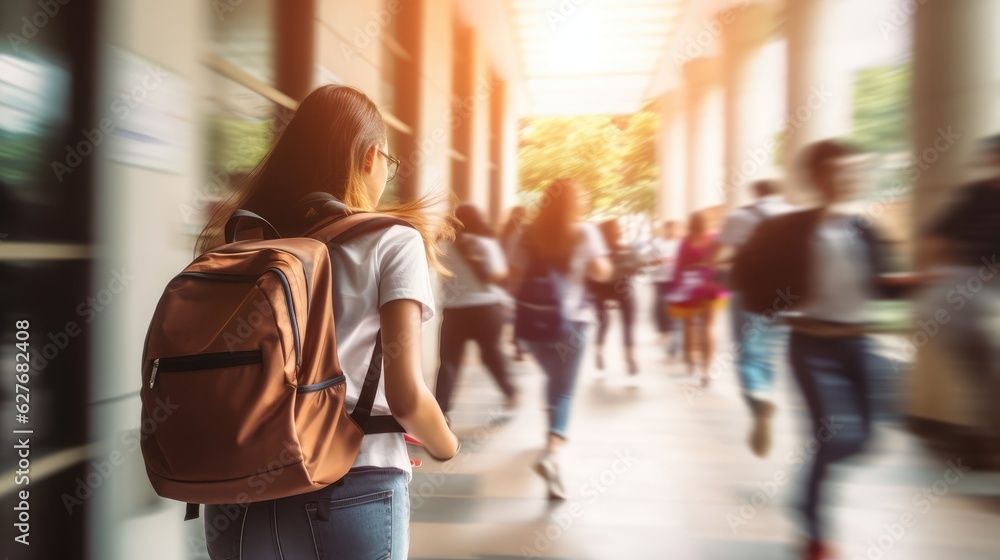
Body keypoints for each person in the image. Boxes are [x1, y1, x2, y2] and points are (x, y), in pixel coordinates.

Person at [195, 85, 460, 560]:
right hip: (352, 481)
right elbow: (406, 395)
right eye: (389, 163)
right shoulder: (392, 241)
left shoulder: (241, 244)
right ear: (371, 156)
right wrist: (446, 443)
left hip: (236, 488)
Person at [744, 139, 892, 560]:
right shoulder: (792, 228)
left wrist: (921, 281)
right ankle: (815, 528)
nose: (850, 177)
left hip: (858, 343)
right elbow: (752, 270)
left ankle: (804, 497)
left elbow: (879, 284)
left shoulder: (864, 228)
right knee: (830, 435)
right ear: (818, 177)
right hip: (812, 345)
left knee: (864, 439)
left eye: (854, 169)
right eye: (840, 170)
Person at [516, 178, 612, 499]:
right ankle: (552, 452)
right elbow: (602, 272)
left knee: (554, 381)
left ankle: (550, 440)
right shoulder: (584, 232)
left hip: (532, 324)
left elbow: (512, 274)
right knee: (565, 390)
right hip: (571, 324)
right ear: (574, 204)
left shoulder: (529, 233)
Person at [711, 179, 795, 457]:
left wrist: (720, 262)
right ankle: (766, 392)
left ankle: (759, 398)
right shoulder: (794, 213)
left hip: (749, 293)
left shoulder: (739, 216)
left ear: (754, 193)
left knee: (748, 354)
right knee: (769, 353)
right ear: (778, 192)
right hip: (785, 295)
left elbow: (719, 254)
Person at [435, 203, 517, 422]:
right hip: (486, 309)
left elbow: (438, 271)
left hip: (454, 312)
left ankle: (441, 414)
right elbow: (499, 273)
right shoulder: (484, 243)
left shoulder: (442, 245)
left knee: (449, 363)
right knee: (491, 355)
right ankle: (510, 393)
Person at [668, 211, 726, 386]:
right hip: (709, 286)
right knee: (708, 327)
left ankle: (690, 359)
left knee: (689, 324)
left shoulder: (686, 242)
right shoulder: (713, 239)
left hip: (689, 287)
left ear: (690, 225)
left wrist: (675, 289)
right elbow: (719, 262)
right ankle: (706, 370)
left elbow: (678, 267)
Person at [589, 218, 643, 375]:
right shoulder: (624, 249)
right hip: (622, 290)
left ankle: (598, 351)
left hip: (601, 290)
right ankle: (630, 357)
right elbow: (636, 267)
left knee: (603, 323)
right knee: (628, 323)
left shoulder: (598, 252)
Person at [648, 219, 682, 360]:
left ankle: (671, 330)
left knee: (672, 306)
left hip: (673, 279)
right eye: (669, 228)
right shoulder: (657, 243)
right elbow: (649, 261)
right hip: (659, 278)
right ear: (665, 229)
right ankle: (662, 331)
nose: (672, 231)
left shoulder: (679, 243)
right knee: (660, 305)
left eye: (674, 228)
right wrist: (659, 261)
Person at [500, 205, 529, 360]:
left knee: (516, 311)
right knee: (520, 312)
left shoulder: (505, 232)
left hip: (508, 275)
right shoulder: (520, 232)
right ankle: (519, 346)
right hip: (519, 276)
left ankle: (517, 343)